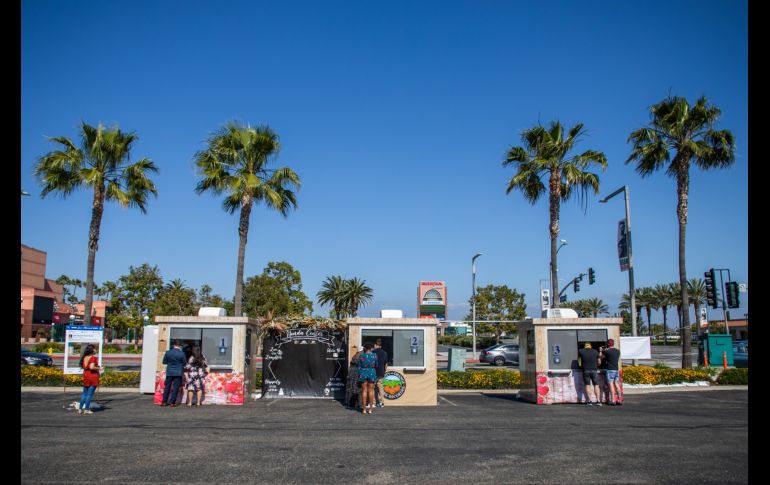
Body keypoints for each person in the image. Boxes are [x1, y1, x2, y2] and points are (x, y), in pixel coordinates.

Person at [161, 340, 187, 407]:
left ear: (174, 345)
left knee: (167, 387)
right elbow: (184, 363)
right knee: (175, 388)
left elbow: (164, 362)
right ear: (180, 346)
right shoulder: (182, 353)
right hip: (178, 373)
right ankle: (172, 403)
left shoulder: (168, 352)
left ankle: (164, 402)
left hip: (169, 372)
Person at [78, 344, 102, 415]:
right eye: (95, 349)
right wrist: (99, 368)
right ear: (92, 350)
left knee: (84, 393)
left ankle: (80, 408)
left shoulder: (85, 357)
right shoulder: (93, 358)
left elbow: (86, 366)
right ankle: (86, 409)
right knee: (89, 394)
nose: (95, 350)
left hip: (86, 375)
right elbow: (91, 367)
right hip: (92, 376)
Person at [357, 342, 378, 414]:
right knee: (371, 391)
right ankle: (371, 409)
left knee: (364, 391)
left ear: (365, 348)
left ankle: (364, 409)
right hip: (371, 372)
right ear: (371, 348)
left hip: (363, 372)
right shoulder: (374, 356)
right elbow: (376, 365)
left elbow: (358, 366)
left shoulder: (361, 356)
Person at [602, 339, 622, 406]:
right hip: (616, 369)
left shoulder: (607, 351)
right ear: (613, 343)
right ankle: (619, 399)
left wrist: (602, 349)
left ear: (608, 344)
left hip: (610, 369)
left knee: (611, 384)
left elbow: (602, 354)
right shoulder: (617, 351)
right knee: (616, 384)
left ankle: (613, 400)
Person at [373, 338, 389, 408]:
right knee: (380, 388)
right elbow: (386, 364)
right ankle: (382, 403)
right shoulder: (385, 353)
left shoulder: (372, 352)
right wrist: (384, 371)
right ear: (381, 346)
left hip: (373, 372)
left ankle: (373, 403)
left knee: (373, 388)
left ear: (375, 345)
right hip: (381, 372)